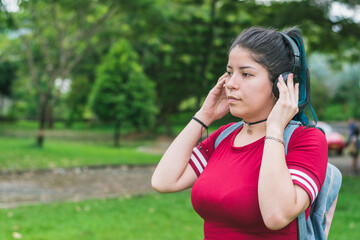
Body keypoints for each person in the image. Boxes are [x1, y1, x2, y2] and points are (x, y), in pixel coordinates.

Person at [151, 27, 328, 239]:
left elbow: (276, 215)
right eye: (229, 72)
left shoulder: (306, 140)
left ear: (281, 83)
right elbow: (164, 181)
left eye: (245, 74)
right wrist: (203, 116)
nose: (231, 84)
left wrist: (274, 129)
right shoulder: (224, 136)